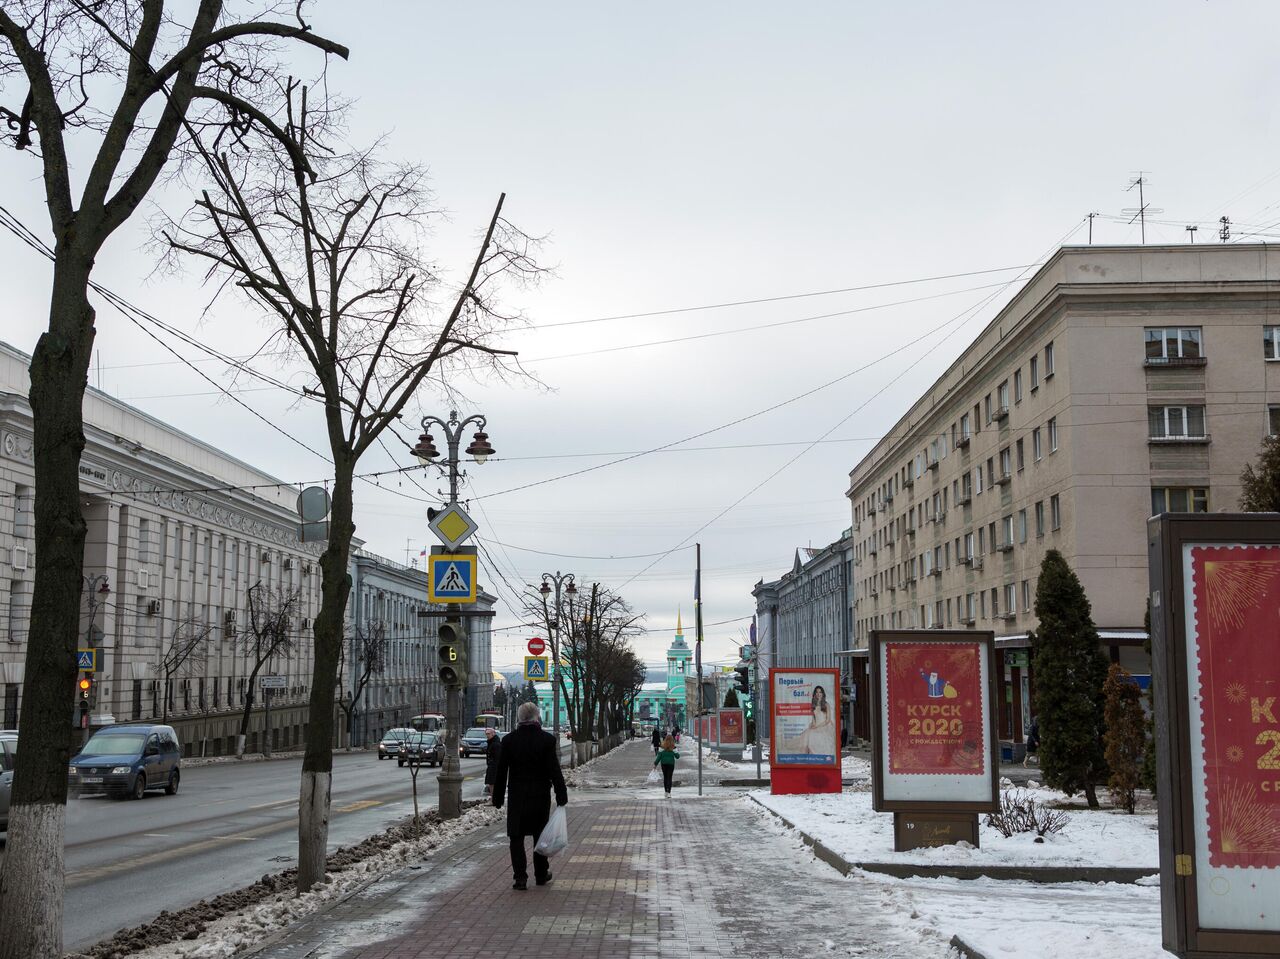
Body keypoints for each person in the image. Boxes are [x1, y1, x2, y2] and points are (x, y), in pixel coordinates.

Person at [492, 702, 568, 891]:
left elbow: (501, 772)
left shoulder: (509, 741)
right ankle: (541, 874)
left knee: (516, 837)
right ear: (536, 717)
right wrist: (561, 794)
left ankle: (520, 878)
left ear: (519, 718)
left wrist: (498, 797)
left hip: (517, 796)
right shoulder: (547, 740)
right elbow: (554, 771)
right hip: (539, 796)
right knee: (539, 836)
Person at [483, 727, 502, 795]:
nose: (487, 735)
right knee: (491, 783)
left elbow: (497, 756)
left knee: (492, 783)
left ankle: (493, 800)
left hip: (494, 766)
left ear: (493, 734)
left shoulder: (495, 744)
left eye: (488, 733)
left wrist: (492, 764)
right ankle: (493, 799)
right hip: (492, 765)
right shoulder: (491, 742)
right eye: (486, 734)